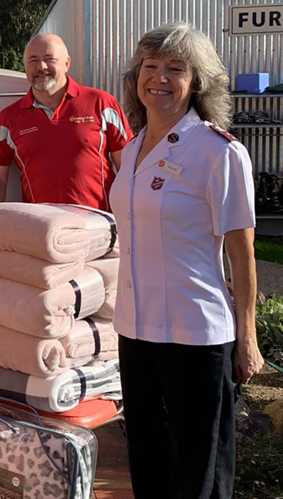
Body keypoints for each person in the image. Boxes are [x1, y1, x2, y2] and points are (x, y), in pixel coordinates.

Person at [112, 23, 264, 498]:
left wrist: (248, 337)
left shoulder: (218, 152)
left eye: (174, 68)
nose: (158, 77)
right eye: (149, 67)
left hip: (195, 335)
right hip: (136, 331)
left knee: (199, 472)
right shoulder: (132, 149)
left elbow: (242, 253)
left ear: (196, 81)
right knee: (149, 460)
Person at [0, 34, 131, 210]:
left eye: (49, 59)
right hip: (40, 230)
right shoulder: (7, 120)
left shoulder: (102, 104)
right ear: (25, 67)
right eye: (33, 60)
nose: (41, 67)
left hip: (99, 227)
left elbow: (129, 166)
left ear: (67, 63)